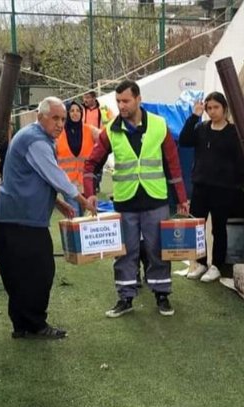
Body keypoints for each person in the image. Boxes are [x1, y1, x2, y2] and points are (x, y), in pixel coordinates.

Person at [84, 80, 189, 318]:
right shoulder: (110, 130)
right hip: (125, 202)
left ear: (138, 99)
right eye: (118, 101)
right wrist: (90, 191)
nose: (121, 105)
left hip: (155, 200)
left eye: (126, 101)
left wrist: (182, 198)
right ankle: (125, 298)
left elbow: (173, 165)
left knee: (157, 249)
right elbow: (92, 163)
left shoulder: (160, 126)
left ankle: (162, 295)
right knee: (125, 251)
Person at [0, 97, 94, 340]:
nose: (60, 124)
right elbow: (57, 176)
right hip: (22, 219)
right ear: (41, 117)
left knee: (18, 273)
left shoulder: (32, 135)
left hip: (12, 216)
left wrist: (56, 202)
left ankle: (21, 325)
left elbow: (36, 176)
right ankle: (36, 324)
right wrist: (83, 202)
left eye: (63, 118)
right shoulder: (37, 141)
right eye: (55, 118)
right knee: (41, 272)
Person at [178, 91, 244, 282]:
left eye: (215, 107)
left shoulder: (233, 132)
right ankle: (200, 262)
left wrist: (234, 181)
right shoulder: (201, 128)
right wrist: (194, 115)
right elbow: (184, 140)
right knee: (197, 227)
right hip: (201, 185)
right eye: (209, 108)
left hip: (223, 188)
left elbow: (241, 161)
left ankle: (217, 265)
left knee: (218, 228)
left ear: (224, 108)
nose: (212, 111)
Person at [55, 101, 100, 216]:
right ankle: (75, 233)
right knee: (74, 215)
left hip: (85, 182)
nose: (75, 113)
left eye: (78, 111)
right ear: (67, 113)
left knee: (84, 215)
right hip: (67, 183)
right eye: (72, 111)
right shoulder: (58, 133)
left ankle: (79, 234)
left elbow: (105, 140)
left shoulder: (90, 130)